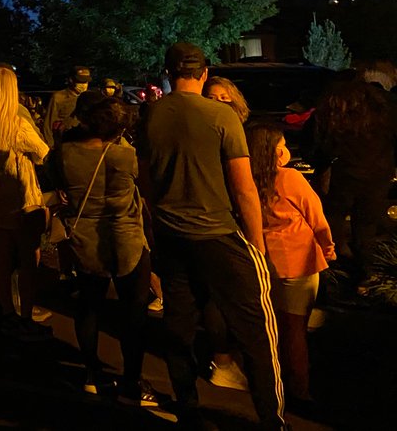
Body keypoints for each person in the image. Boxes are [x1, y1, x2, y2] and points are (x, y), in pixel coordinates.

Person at [138, 42, 285, 430]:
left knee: (179, 327)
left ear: (169, 73)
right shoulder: (221, 115)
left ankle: (188, 409)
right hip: (218, 234)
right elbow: (244, 188)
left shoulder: (150, 116)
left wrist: (157, 224)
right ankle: (271, 419)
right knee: (256, 331)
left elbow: (146, 181)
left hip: (172, 236)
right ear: (204, 74)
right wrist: (257, 244)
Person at [49, 91, 158, 407]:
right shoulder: (123, 157)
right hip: (124, 238)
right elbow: (145, 186)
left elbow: (53, 175)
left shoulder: (64, 154)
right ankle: (132, 380)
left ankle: (92, 373)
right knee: (133, 312)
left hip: (85, 237)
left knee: (89, 306)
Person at [246, 119, 334, 404]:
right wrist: (328, 248)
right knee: (295, 328)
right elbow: (316, 216)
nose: (285, 151)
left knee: (274, 324)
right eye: (281, 146)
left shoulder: (245, 179)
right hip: (298, 259)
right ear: (271, 151)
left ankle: (273, 377)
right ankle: (300, 387)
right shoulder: (289, 178)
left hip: (267, 260)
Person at [0, 65, 52, 342]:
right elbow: (44, 152)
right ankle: (27, 317)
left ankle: (7, 310)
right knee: (29, 260)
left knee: (2, 257)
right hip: (21, 198)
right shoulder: (18, 124)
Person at [310, 73, 397, 294]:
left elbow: (316, 143)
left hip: (342, 176)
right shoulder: (382, 111)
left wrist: (321, 166)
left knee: (332, 221)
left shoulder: (331, 110)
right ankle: (364, 275)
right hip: (377, 175)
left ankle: (333, 272)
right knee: (366, 226)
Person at [202, 73, 252, 390]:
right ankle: (221, 359)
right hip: (219, 222)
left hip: (239, 220)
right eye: (212, 98)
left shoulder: (242, 132)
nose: (220, 102)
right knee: (218, 294)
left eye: (224, 97)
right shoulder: (203, 138)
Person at [41, 65, 91, 147]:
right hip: (63, 142)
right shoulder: (59, 97)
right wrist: (50, 146)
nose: (83, 85)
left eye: (85, 82)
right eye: (80, 82)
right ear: (71, 80)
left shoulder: (90, 97)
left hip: (83, 144)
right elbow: (48, 123)